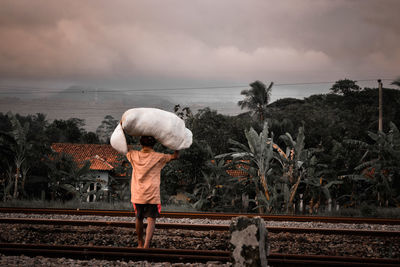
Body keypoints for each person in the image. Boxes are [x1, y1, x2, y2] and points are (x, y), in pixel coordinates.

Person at [126, 136, 179, 248]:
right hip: (152, 194)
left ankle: (140, 243)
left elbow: (123, 148)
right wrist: (177, 145)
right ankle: (146, 245)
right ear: (154, 144)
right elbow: (175, 156)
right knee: (151, 219)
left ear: (141, 144)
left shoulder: (133, 155)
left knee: (139, 218)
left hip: (137, 194)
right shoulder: (159, 157)